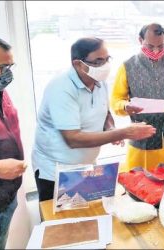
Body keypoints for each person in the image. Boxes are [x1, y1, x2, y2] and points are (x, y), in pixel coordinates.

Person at [32, 37, 156, 201]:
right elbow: (73, 139)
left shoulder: (99, 82)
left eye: (107, 59)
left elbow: (105, 113)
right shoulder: (61, 88)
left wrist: (111, 128)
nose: (105, 66)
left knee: (89, 218)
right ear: (78, 64)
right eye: (98, 61)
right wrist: (123, 133)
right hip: (55, 171)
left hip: (86, 167)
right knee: (60, 224)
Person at [111, 23, 164, 171]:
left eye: (160, 46)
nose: (156, 51)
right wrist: (125, 106)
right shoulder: (127, 66)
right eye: (150, 47)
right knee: (140, 184)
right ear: (140, 40)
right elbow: (116, 100)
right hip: (141, 136)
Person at [0, 37, 26, 249]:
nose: (7, 73)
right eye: (1, 67)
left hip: (6, 196)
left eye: (9, 66)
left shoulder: (1, 92)